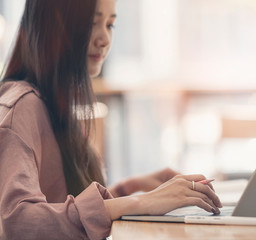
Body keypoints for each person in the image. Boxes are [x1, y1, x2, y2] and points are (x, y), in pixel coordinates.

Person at [0, 0, 222, 239]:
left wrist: (132, 188)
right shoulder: (22, 108)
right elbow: (17, 221)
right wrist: (140, 202)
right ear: (53, 24)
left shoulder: (53, 103)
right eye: (93, 23)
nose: (104, 38)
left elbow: (64, 210)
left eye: (110, 25)